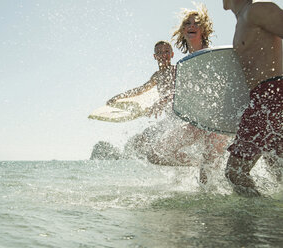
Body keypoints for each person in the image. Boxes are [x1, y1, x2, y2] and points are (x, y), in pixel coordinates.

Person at [148, 4, 230, 184]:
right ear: (183, 30)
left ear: (203, 29)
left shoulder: (210, 54)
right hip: (196, 122)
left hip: (216, 123)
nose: (191, 26)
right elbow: (185, 91)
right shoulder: (183, 63)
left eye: (196, 23)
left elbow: (217, 88)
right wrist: (167, 99)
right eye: (187, 23)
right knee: (155, 154)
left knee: (206, 180)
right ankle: (195, 163)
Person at [222, 0, 283, 197]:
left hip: (271, 95)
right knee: (278, 169)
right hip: (264, 96)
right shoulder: (242, 20)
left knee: (235, 172)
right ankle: (275, 225)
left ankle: (261, 220)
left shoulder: (256, 11)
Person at [106, 40, 176, 118]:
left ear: (172, 54)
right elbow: (140, 90)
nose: (163, 55)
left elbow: (179, 91)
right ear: (155, 56)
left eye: (166, 51)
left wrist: (163, 101)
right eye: (159, 52)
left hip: (182, 112)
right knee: (147, 131)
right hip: (171, 116)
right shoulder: (157, 76)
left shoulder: (176, 70)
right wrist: (117, 97)